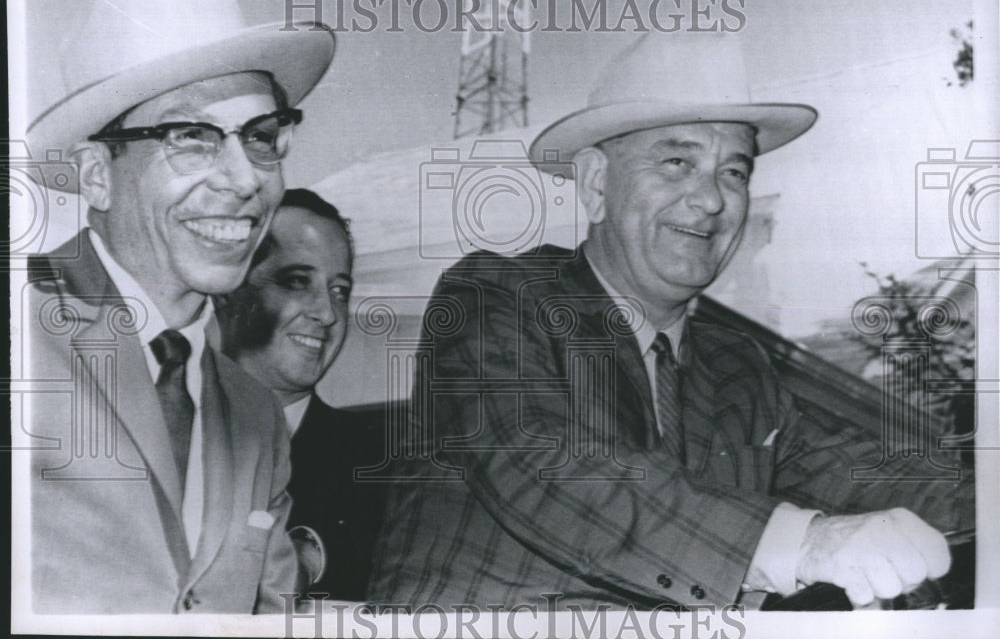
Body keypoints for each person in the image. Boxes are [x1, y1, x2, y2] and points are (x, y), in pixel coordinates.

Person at [367, 32, 973, 611]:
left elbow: (857, 471)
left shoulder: (737, 366)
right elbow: (545, 466)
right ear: (596, 183)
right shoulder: (497, 296)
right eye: (677, 163)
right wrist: (805, 544)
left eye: (733, 172)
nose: (711, 199)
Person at [23, 0, 336, 614]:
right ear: (96, 175)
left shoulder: (258, 416)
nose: (246, 179)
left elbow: (270, 613)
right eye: (191, 137)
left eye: (260, 137)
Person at [219, 188, 389, 600]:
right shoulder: (155, 430)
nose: (328, 313)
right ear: (228, 289)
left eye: (339, 290)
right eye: (298, 282)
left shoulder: (385, 463)